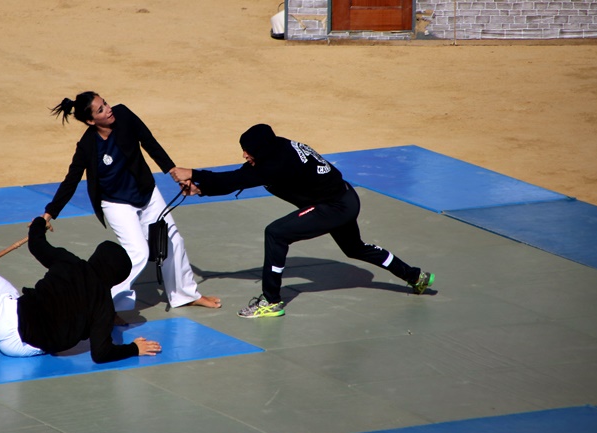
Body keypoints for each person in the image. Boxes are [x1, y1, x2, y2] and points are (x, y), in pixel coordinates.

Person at [171, 123, 434, 319]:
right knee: (355, 248)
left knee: (276, 233)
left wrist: (193, 172)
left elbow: (235, 180)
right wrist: (200, 188)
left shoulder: (276, 164)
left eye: (247, 151)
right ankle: (415, 276)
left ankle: (271, 301)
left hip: (333, 206)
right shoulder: (276, 148)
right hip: (343, 197)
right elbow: (243, 176)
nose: (244, 155)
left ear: (261, 151)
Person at [42, 92, 220, 312]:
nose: (108, 109)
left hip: (147, 193)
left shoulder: (124, 115)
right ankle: (106, 305)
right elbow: (71, 180)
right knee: (139, 252)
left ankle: (184, 295)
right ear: (90, 121)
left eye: (105, 103)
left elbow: (149, 141)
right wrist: (49, 213)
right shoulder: (88, 146)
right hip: (116, 203)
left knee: (173, 241)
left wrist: (173, 171)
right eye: (100, 110)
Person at [0, 216, 162, 363]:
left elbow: (36, 245)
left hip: (13, 324)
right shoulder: (105, 305)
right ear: (115, 278)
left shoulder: (70, 263)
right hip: (26, 349)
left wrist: (40, 223)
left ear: (97, 256)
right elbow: (101, 353)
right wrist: (133, 349)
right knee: (27, 310)